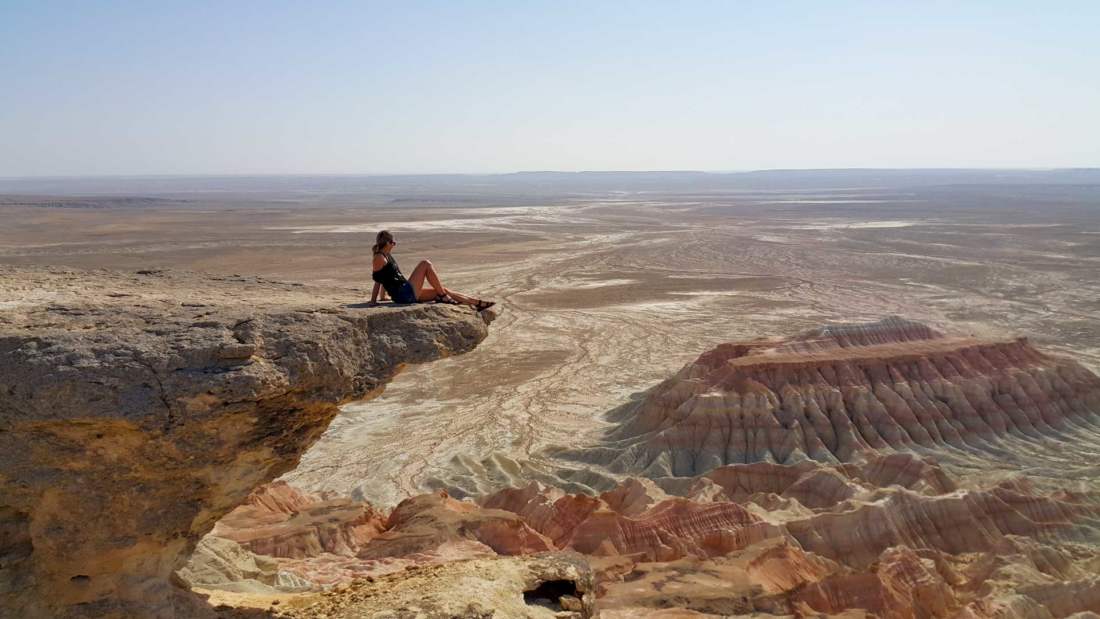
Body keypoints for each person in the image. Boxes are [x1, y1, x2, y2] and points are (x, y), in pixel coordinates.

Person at [369, 229, 495, 311]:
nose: (394, 244)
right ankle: (443, 296)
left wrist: (383, 297)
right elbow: (378, 279)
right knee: (425, 264)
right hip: (403, 294)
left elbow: (386, 277)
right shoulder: (379, 258)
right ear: (387, 243)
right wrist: (374, 301)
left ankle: (475, 303)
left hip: (405, 292)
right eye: (393, 242)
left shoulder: (386, 255)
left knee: (442, 290)